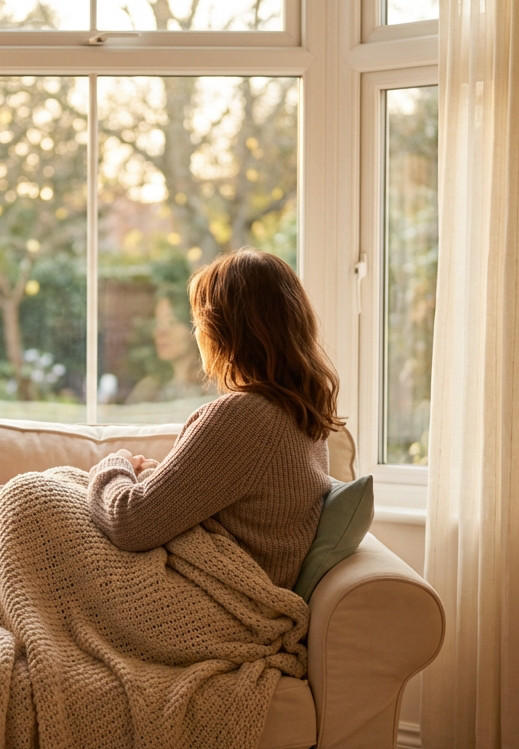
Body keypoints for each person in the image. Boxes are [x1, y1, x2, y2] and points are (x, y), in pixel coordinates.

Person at [87, 247, 344, 589]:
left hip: (216, 597)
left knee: (33, 497)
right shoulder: (299, 415)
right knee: (58, 485)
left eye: (199, 323)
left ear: (224, 332)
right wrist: (152, 477)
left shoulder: (244, 417)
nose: (198, 334)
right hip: (229, 585)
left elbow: (130, 524)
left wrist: (113, 465)